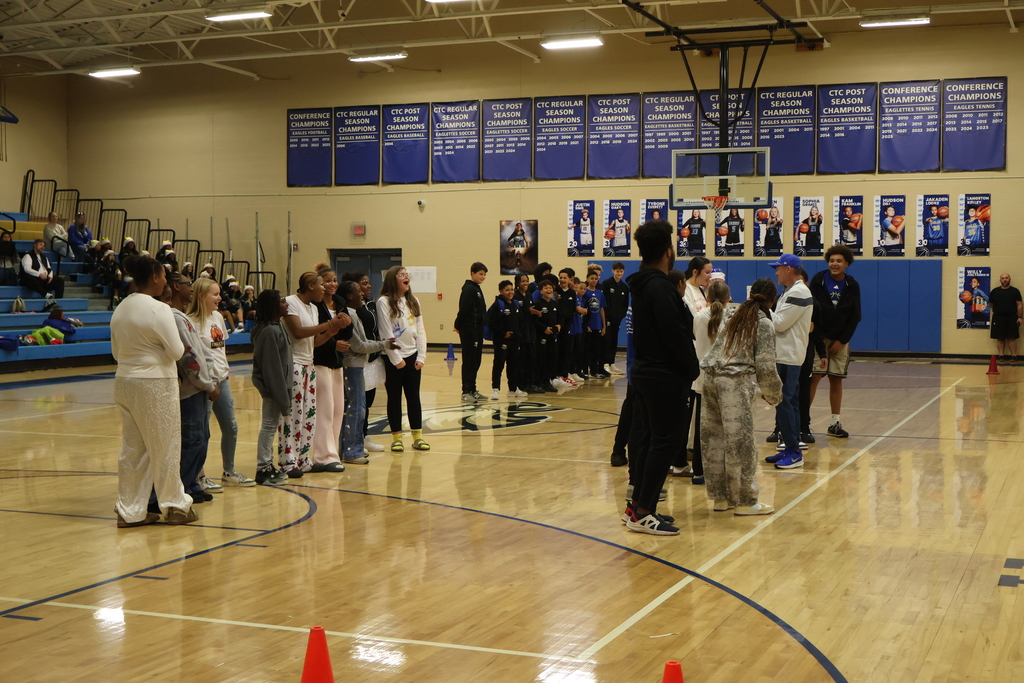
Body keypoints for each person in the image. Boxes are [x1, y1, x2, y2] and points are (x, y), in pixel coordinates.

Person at [623, 219, 700, 535]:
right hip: (663, 376)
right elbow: (677, 335)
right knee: (663, 444)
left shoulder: (644, 283)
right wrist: (692, 368)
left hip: (646, 373)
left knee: (648, 440)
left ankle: (638, 508)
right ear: (668, 251)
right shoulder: (660, 288)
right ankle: (643, 511)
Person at [110, 255, 196, 526]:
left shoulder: (120, 308)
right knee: (165, 445)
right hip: (155, 383)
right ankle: (175, 506)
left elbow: (115, 352)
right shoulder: (159, 309)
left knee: (133, 449)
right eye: (163, 276)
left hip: (124, 380)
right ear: (156, 277)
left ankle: (129, 510)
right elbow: (177, 351)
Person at [701, 278, 783, 515]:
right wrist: (773, 395)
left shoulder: (730, 314)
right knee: (741, 443)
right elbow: (766, 366)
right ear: (771, 300)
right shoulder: (764, 323)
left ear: (750, 294)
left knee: (714, 440)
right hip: (734, 383)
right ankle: (747, 502)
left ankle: (721, 499)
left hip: (710, 378)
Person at [187, 278, 255, 488]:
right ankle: (199, 475)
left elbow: (219, 349)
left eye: (219, 294)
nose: (219, 298)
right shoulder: (189, 322)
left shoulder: (217, 316)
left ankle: (230, 472)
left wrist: (225, 371)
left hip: (222, 381)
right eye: (214, 294)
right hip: (203, 386)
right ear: (201, 296)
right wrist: (206, 381)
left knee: (231, 426)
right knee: (203, 432)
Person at [281, 272, 347, 477]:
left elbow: (315, 341)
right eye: (321, 285)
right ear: (310, 286)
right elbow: (298, 333)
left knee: (308, 413)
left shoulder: (312, 307)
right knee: (293, 414)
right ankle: (288, 460)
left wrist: (331, 332)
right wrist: (329, 324)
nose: (324, 289)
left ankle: (303, 458)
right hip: (294, 363)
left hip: (309, 364)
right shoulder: (291, 302)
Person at [167, 270, 220, 505]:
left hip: (200, 388)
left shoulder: (182, 316)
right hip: (190, 390)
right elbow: (189, 357)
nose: (191, 288)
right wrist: (207, 385)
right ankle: (183, 485)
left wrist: (212, 378)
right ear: (177, 287)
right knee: (192, 438)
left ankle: (192, 484)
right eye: (188, 284)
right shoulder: (174, 318)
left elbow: (202, 351)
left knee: (202, 437)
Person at [809, 245, 862, 439]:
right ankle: (803, 424)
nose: (835, 264)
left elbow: (855, 316)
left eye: (839, 261)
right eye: (832, 260)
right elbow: (811, 312)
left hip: (841, 340)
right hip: (819, 338)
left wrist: (841, 340)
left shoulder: (852, 285)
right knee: (814, 377)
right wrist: (820, 342)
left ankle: (835, 423)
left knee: (836, 379)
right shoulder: (818, 280)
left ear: (846, 264)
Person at [340, 279, 395, 463]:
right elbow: (359, 346)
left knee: (359, 409)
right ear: (349, 295)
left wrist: (383, 344)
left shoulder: (354, 314)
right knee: (355, 410)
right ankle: (351, 451)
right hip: (352, 366)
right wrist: (384, 344)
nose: (362, 293)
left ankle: (354, 447)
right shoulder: (348, 314)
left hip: (358, 366)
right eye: (358, 290)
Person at [766, 254, 812, 470]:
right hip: (786, 354)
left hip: (788, 356)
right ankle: (791, 447)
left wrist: (760, 309)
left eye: (778, 268)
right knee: (789, 403)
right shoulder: (790, 292)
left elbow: (780, 324)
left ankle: (794, 451)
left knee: (784, 403)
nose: (776, 272)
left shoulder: (799, 292)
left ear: (788, 269)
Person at [377, 266, 430, 453]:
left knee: (414, 397)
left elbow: (420, 329)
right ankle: (397, 438)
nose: (407, 277)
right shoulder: (383, 302)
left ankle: (418, 437)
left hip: (413, 356)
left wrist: (421, 355)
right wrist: (396, 358)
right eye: (402, 275)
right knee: (394, 398)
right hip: (394, 359)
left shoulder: (413, 301)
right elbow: (386, 332)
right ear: (393, 279)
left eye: (407, 275)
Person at [311, 266, 353, 472]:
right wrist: (333, 344)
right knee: (325, 409)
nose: (332, 284)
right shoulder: (315, 306)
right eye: (327, 281)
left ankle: (332, 452)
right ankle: (321, 455)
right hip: (320, 360)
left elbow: (346, 331)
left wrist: (347, 327)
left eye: (334, 280)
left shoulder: (341, 303)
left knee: (338, 409)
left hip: (337, 362)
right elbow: (315, 335)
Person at [250, 289, 291, 486]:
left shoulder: (278, 326)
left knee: (271, 426)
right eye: (283, 301)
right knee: (268, 427)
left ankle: (268, 464)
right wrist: (282, 397)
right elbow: (272, 368)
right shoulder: (268, 332)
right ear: (273, 306)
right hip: (273, 389)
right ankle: (263, 468)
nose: (287, 303)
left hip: (279, 388)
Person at [350, 270, 386, 453]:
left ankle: (363, 437)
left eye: (368, 282)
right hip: (359, 359)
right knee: (358, 403)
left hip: (373, 357)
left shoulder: (371, 304)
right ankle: (354, 438)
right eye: (364, 283)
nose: (369, 285)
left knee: (369, 401)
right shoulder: (351, 309)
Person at [454, 262, 488, 403]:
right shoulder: (469, 289)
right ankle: (466, 391)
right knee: (469, 360)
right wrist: (458, 324)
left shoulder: (476, 289)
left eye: (485, 274)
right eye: (480, 274)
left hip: (477, 330)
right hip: (470, 330)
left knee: (476, 361)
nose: (483, 277)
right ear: (472, 273)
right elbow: (464, 309)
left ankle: (473, 389)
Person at [487, 279, 523, 399]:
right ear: (501, 291)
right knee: (499, 364)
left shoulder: (516, 304)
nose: (510, 292)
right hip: (502, 340)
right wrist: (503, 333)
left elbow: (519, 321)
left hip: (515, 340)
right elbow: (490, 322)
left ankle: (513, 388)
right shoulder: (498, 304)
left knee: (513, 365)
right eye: (507, 290)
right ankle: (495, 389)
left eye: (512, 289)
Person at [532, 280, 560, 392]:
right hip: (541, 336)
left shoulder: (554, 304)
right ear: (541, 291)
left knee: (550, 358)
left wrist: (559, 325)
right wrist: (544, 328)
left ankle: (546, 381)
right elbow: (534, 320)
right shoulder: (538, 304)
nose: (549, 290)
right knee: (541, 359)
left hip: (552, 337)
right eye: (546, 288)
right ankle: (538, 382)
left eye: (550, 288)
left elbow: (560, 317)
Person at [514, 273, 541, 393]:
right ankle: (522, 384)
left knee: (532, 358)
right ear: (517, 283)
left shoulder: (529, 295)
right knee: (522, 360)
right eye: (522, 281)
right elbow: (517, 315)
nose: (525, 283)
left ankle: (530, 383)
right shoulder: (515, 296)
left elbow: (530, 312)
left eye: (527, 281)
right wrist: (528, 312)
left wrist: (535, 313)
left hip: (530, 331)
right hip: (521, 332)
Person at [601, 262, 629, 376]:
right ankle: (605, 364)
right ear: (613, 271)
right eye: (617, 271)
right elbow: (605, 302)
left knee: (614, 340)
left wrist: (620, 315)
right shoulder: (607, 283)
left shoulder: (624, 287)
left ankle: (612, 363)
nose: (619, 273)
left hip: (617, 319)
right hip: (607, 318)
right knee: (606, 340)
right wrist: (608, 316)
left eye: (621, 271)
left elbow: (625, 304)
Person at [989, 273, 1022, 361]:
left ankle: (1014, 356)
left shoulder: (1015, 291)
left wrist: (1020, 317)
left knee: (1012, 337)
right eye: (1003, 278)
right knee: (1000, 337)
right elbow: (991, 304)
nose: (1004, 280)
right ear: (1000, 280)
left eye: (1006, 278)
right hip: (998, 317)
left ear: (1009, 279)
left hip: (1012, 317)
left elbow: (1019, 304)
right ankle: (1001, 355)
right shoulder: (995, 291)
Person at [555, 268, 579, 387]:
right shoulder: (556, 291)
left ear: (570, 279)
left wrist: (566, 324)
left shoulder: (571, 293)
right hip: (557, 326)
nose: (562, 280)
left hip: (567, 326)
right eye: (561, 277)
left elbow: (572, 310)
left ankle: (564, 374)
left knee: (566, 350)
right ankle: (556, 375)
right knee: (556, 351)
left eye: (565, 277)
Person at [583, 269, 608, 379]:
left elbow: (602, 309)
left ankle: (594, 371)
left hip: (597, 325)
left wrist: (604, 326)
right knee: (586, 349)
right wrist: (585, 324)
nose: (594, 280)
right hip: (588, 325)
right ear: (587, 279)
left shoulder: (600, 293)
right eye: (592, 278)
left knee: (596, 349)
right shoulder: (585, 292)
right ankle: (584, 371)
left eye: (596, 279)